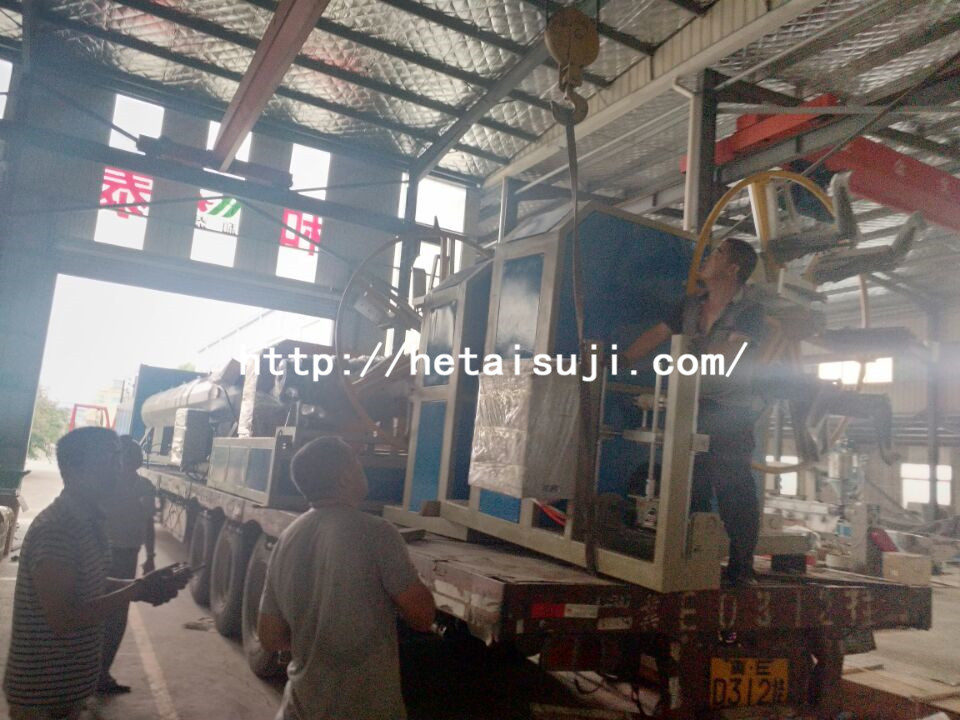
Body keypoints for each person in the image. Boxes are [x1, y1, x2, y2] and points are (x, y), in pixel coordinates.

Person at [3, 427, 189, 719]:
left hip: (68, 688)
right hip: (44, 694)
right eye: (107, 461)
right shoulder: (58, 530)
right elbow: (64, 618)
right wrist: (136, 590)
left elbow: (88, 583)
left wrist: (139, 584)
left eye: (118, 460)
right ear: (74, 470)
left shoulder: (88, 520)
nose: (118, 470)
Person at [257, 437, 436, 720]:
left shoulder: (287, 539)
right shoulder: (377, 533)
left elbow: (269, 635)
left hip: (299, 709)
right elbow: (422, 616)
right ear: (344, 479)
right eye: (358, 466)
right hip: (362, 709)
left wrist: (315, 640)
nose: (363, 471)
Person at [624, 238, 766, 585]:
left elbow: (731, 354)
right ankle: (693, 557)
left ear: (733, 268)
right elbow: (657, 334)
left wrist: (687, 362)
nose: (708, 257)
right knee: (691, 483)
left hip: (729, 411)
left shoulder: (750, 311)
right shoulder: (690, 307)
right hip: (691, 406)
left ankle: (741, 566)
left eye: (717, 253)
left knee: (733, 486)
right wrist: (620, 361)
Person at [96, 435, 157, 695]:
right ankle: (87, 675)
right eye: (128, 455)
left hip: (129, 555)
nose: (133, 460)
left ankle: (102, 674)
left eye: (136, 456)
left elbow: (148, 524)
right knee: (98, 613)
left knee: (118, 617)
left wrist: (150, 556)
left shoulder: (145, 487)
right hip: (105, 555)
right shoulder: (105, 485)